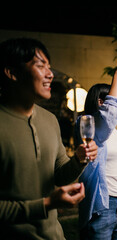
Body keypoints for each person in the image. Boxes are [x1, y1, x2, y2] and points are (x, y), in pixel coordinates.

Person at [0, 37, 98, 239]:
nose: (50, 74)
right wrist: (46, 205)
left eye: (49, 67)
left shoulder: (49, 119)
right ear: (11, 73)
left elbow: (60, 174)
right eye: (40, 65)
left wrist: (79, 159)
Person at [74, 56, 117, 239]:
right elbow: (110, 114)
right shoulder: (85, 125)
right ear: (100, 103)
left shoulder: (113, 131)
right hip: (103, 205)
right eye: (116, 100)